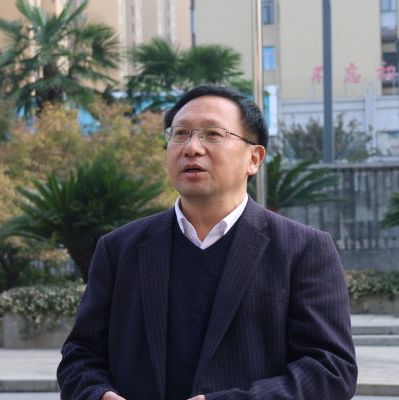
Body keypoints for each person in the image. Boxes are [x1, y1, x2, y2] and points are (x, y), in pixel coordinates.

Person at [57, 85, 357, 400]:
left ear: (254, 158)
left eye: (212, 134)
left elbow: (332, 369)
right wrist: (98, 394)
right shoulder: (119, 248)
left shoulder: (303, 249)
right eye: (180, 134)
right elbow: (80, 354)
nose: (191, 148)